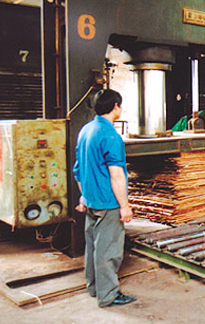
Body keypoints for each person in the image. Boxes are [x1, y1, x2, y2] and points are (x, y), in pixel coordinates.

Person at [73, 89, 137, 308]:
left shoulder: (86, 130)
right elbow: (116, 174)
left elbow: (78, 169)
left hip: (91, 200)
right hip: (108, 202)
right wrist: (124, 206)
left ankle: (94, 288)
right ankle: (108, 295)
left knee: (93, 247)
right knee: (108, 251)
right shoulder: (110, 136)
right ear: (116, 107)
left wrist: (84, 196)